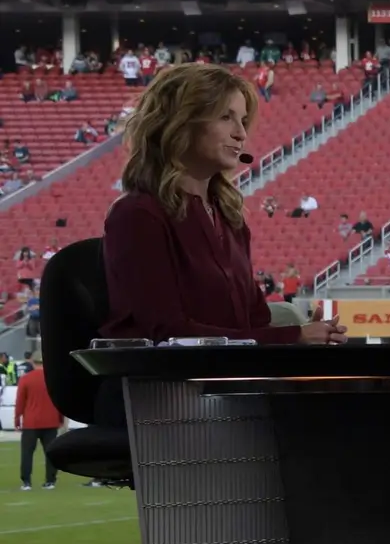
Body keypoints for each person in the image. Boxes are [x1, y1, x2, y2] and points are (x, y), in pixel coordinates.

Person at [101, 64, 346, 352]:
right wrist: (293, 337)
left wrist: (307, 335)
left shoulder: (229, 217)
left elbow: (253, 321)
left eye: (242, 120)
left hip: (225, 384)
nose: (241, 133)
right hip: (163, 390)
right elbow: (165, 334)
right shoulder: (137, 215)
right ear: (181, 123)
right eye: (225, 117)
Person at [14, 357, 61, 490]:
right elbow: (60, 399)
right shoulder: (53, 378)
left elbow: (20, 401)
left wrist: (17, 418)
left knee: (27, 453)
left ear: (33, 363)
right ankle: (50, 481)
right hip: (51, 420)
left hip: (31, 422)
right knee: (51, 453)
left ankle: (26, 482)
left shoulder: (26, 379)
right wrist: (60, 418)